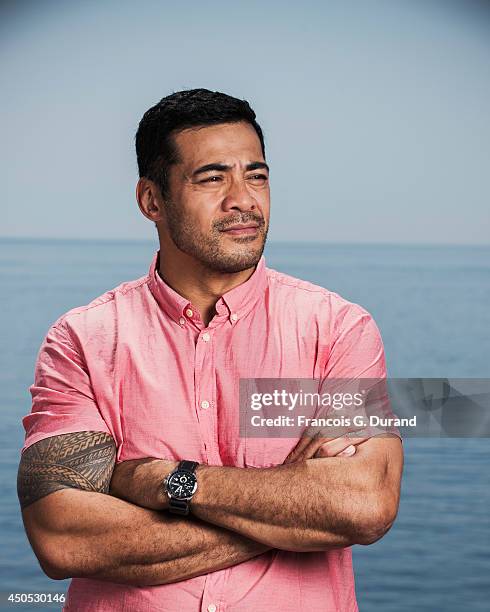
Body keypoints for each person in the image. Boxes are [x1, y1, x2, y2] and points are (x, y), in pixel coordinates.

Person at [17, 88, 403, 612]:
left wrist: (162, 481)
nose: (244, 199)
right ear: (152, 200)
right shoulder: (82, 339)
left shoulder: (338, 330)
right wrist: (293, 509)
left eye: (257, 176)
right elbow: (64, 538)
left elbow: (363, 506)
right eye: (213, 177)